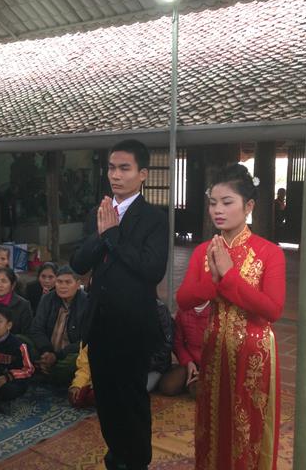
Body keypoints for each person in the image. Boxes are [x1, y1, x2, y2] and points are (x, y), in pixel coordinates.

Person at [176, 163, 285, 470]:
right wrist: (213, 281)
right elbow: (183, 300)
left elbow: (272, 310)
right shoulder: (203, 251)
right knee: (213, 422)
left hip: (255, 352)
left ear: (248, 206)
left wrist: (228, 276)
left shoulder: (269, 253)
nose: (218, 210)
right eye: (213, 203)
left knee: (249, 424)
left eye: (227, 202)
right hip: (214, 347)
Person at [70, 139, 169, 470]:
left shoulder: (154, 218)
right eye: (112, 168)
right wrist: (101, 234)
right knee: (107, 399)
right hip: (100, 323)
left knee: (131, 399)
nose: (115, 175)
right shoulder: (100, 213)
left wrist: (112, 236)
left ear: (142, 174)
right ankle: (116, 458)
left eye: (124, 168)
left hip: (132, 326)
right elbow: (78, 262)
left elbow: (152, 269)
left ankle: (137, 462)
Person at [68, 299, 172, 409]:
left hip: (150, 368)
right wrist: (78, 385)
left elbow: (162, 351)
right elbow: (86, 362)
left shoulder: (157, 309)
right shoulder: (99, 313)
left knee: (127, 394)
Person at [28, 266, 88, 386]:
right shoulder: (47, 299)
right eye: (59, 282)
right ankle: (44, 367)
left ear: (78, 284)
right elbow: (36, 328)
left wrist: (57, 355)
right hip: (46, 350)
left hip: (68, 354)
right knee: (21, 342)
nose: (62, 286)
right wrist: (47, 351)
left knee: (72, 363)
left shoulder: (87, 303)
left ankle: (44, 372)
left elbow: (85, 340)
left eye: (68, 282)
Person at [158, 301, 211, 399]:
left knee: (199, 392)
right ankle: (191, 381)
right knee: (167, 387)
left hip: (211, 365)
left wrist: (206, 370)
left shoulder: (217, 310)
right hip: (190, 362)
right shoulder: (183, 310)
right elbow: (178, 343)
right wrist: (188, 362)